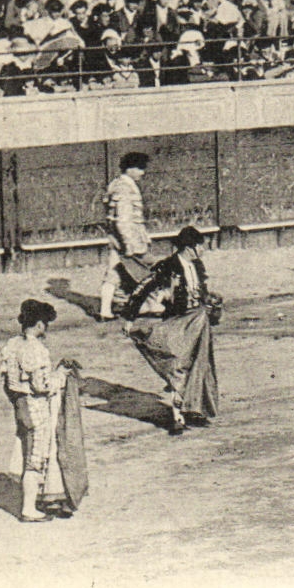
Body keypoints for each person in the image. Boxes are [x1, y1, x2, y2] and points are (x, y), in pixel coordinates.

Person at [120, 225, 221, 434]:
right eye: (200, 246)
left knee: (199, 365)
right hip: (177, 323)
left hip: (198, 323)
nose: (203, 250)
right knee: (177, 367)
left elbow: (201, 292)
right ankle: (177, 417)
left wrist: (209, 301)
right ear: (190, 248)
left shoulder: (197, 266)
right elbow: (142, 288)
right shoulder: (169, 266)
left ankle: (193, 410)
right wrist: (129, 318)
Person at [0, 299, 79, 520]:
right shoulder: (35, 349)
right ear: (39, 325)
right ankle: (28, 509)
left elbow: (8, 382)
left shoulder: (13, 345)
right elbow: (41, 386)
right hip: (35, 408)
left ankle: (34, 502)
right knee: (35, 457)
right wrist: (60, 375)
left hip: (20, 406)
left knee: (27, 451)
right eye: (45, 324)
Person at [99, 152, 153, 321]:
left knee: (114, 272)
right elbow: (123, 220)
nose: (142, 173)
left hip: (117, 238)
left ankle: (105, 311)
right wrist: (128, 243)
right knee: (145, 270)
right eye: (140, 168)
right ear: (130, 168)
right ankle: (146, 305)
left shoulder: (116, 184)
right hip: (129, 238)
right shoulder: (125, 188)